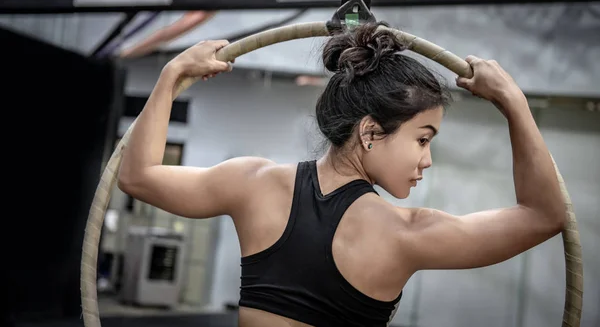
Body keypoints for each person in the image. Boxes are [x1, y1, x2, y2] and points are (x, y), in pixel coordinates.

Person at [117, 22, 566, 327]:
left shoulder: (252, 182)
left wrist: (171, 76)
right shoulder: (407, 234)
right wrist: (512, 101)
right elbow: (545, 214)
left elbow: (136, 176)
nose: (427, 160)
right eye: (423, 139)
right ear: (371, 132)